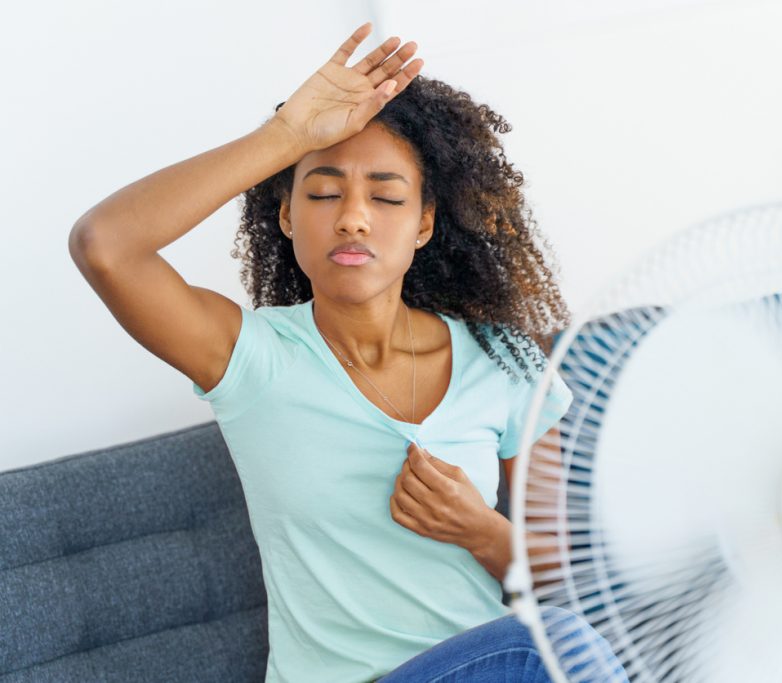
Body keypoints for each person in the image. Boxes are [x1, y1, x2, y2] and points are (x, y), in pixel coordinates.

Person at [69, 20, 628, 683]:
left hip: (486, 667)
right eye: (324, 192)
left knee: (549, 641)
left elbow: (564, 568)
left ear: (424, 223)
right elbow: (105, 246)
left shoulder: (501, 360)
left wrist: (478, 528)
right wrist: (284, 138)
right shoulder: (252, 359)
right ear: (285, 215)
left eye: (386, 196)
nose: (353, 217)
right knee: (550, 644)